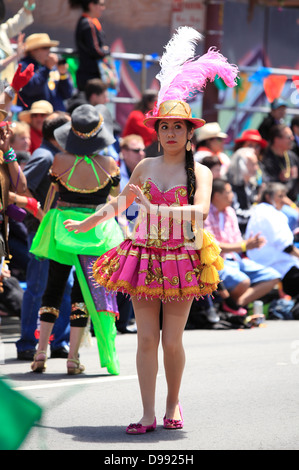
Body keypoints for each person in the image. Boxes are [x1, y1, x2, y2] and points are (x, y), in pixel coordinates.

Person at [63, 26, 238, 433]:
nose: (171, 133)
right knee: (144, 340)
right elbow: (121, 204)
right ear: (156, 131)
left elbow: (197, 214)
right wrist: (87, 222)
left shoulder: (201, 171)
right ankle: (146, 413)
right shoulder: (144, 167)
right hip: (143, 257)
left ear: (190, 132)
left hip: (183, 257)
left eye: (178, 127)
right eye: (164, 127)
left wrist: (155, 210)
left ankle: (173, 405)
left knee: (171, 341)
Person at [29, 104, 124, 375]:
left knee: (53, 287)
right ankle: (72, 358)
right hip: (96, 233)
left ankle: (40, 354)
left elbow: (50, 199)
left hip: (63, 229)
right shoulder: (110, 165)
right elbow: (115, 204)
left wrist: (45, 222)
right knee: (82, 293)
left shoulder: (59, 161)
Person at [16, 112, 73, 361]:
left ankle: (59, 342)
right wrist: (41, 215)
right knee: (38, 287)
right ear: (59, 134)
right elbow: (22, 186)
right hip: (42, 233)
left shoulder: (56, 155)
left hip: (57, 233)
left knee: (65, 287)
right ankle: (27, 342)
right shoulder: (44, 155)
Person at [204, 178, 280, 309]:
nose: (232, 195)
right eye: (228, 192)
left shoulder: (230, 211)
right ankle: (230, 307)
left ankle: (234, 306)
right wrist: (245, 245)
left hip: (235, 259)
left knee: (273, 277)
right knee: (243, 281)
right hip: (217, 262)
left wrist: (248, 244)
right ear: (217, 195)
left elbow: (237, 241)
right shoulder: (206, 214)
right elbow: (213, 247)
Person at [245, 183, 299, 300]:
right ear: (269, 197)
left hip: (278, 263)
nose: (284, 200)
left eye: (285, 196)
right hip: (275, 266)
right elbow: (285, 246)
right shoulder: (268, 213)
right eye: (280, 196)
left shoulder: (264, 211)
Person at [17, 33, 73, 111]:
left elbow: (68, 94)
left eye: (49, 48)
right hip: (35, 118)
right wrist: (47, 68)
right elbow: (31, 89)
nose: (49, 51)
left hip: (57, 116)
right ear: (33, 51)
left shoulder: (51, 66)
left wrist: (63, 74)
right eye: (45, 48)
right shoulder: (24, 66)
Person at [260, 124, 299, 230]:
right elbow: (272, 190)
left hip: (293, 201)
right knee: (294, 216)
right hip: (276, 203)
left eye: (292, 136)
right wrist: (293, 206)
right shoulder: (266, 159)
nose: (292, 139)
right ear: (277, 139)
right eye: (288, 137)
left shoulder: (292, 157)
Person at [68, 0, 110, 91]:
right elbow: (95, 50)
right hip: (90, 76)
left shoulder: (89, 22)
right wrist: (106, 51)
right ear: (91, 5)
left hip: (88, 74)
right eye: (101, 5)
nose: (103, 8)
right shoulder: (88, 24)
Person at [0, 0, 35, 84]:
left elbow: (21, 19)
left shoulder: (2, 31)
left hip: (6, 89)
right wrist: (17, 55)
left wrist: (30, 3)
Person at [227, 147, 260, 234]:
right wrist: (258, 214)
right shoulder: (230, 186)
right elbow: (236, 216)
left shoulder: (251, 185)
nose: (256, 168)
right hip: (237, 232)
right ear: (241, 165)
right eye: (253, 164)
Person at [122, 89, 158, 156]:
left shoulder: (148, 114)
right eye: (157, 101)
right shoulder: (136, 115)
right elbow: (152, 134)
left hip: (142, 149)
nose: (159, 103)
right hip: (132, 150)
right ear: (148, 102)